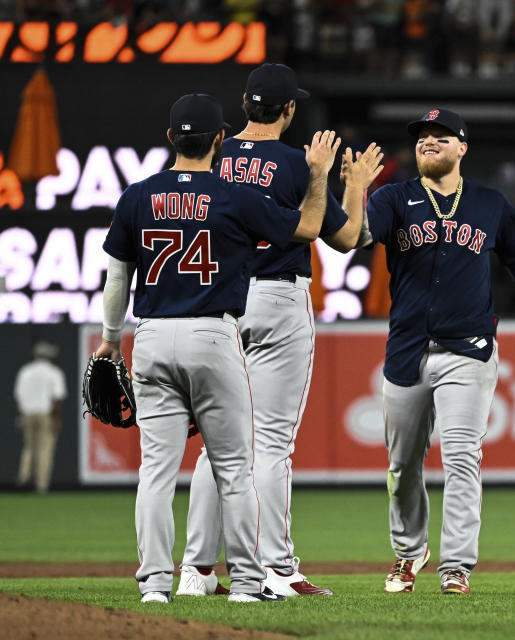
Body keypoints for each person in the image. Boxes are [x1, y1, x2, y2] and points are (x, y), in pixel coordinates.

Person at [94, 92, 342, 604]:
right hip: (212, 334)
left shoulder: (138, 195)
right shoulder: (232, 195)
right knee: (235, 466)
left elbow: (117, 276)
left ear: (170, 139)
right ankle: (249, 585)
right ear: (220, 141)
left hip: (153, 337)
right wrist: (317, 175)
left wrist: (110, 340)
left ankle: (157, 586)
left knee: (156, 472)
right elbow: (311, 228)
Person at [177, 64, 383, 599]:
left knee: (216, 447)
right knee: (269, 441)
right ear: (289, 111)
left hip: (216, 301)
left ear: (245, 104)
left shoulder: (211, 159)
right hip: (276, 298)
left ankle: (197, 571)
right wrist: (352, 185)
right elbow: (349, 239)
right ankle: (276, 569)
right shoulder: (296, 164)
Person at [361, 108, 515, 595]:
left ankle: (456, 564)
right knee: (402, 464)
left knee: (461, 457)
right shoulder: (394, 198)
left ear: (462, 147)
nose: (428, 141)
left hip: (469, 348)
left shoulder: (489, 203)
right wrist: (353, 188)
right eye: (422, 137)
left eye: (440, 135)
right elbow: (359, 237)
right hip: (407, 347)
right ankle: (409, 553)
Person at [14, 341, 67, 494]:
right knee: (45, 449)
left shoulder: (25, 371)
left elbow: (18, 397)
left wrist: (19, 417)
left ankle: (24, 478)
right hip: (46, 413)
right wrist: (56, 419)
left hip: (27, 412)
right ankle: (41, 485)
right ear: (49, 357)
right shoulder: (54, 372)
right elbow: (57, 399)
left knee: (29, 447)